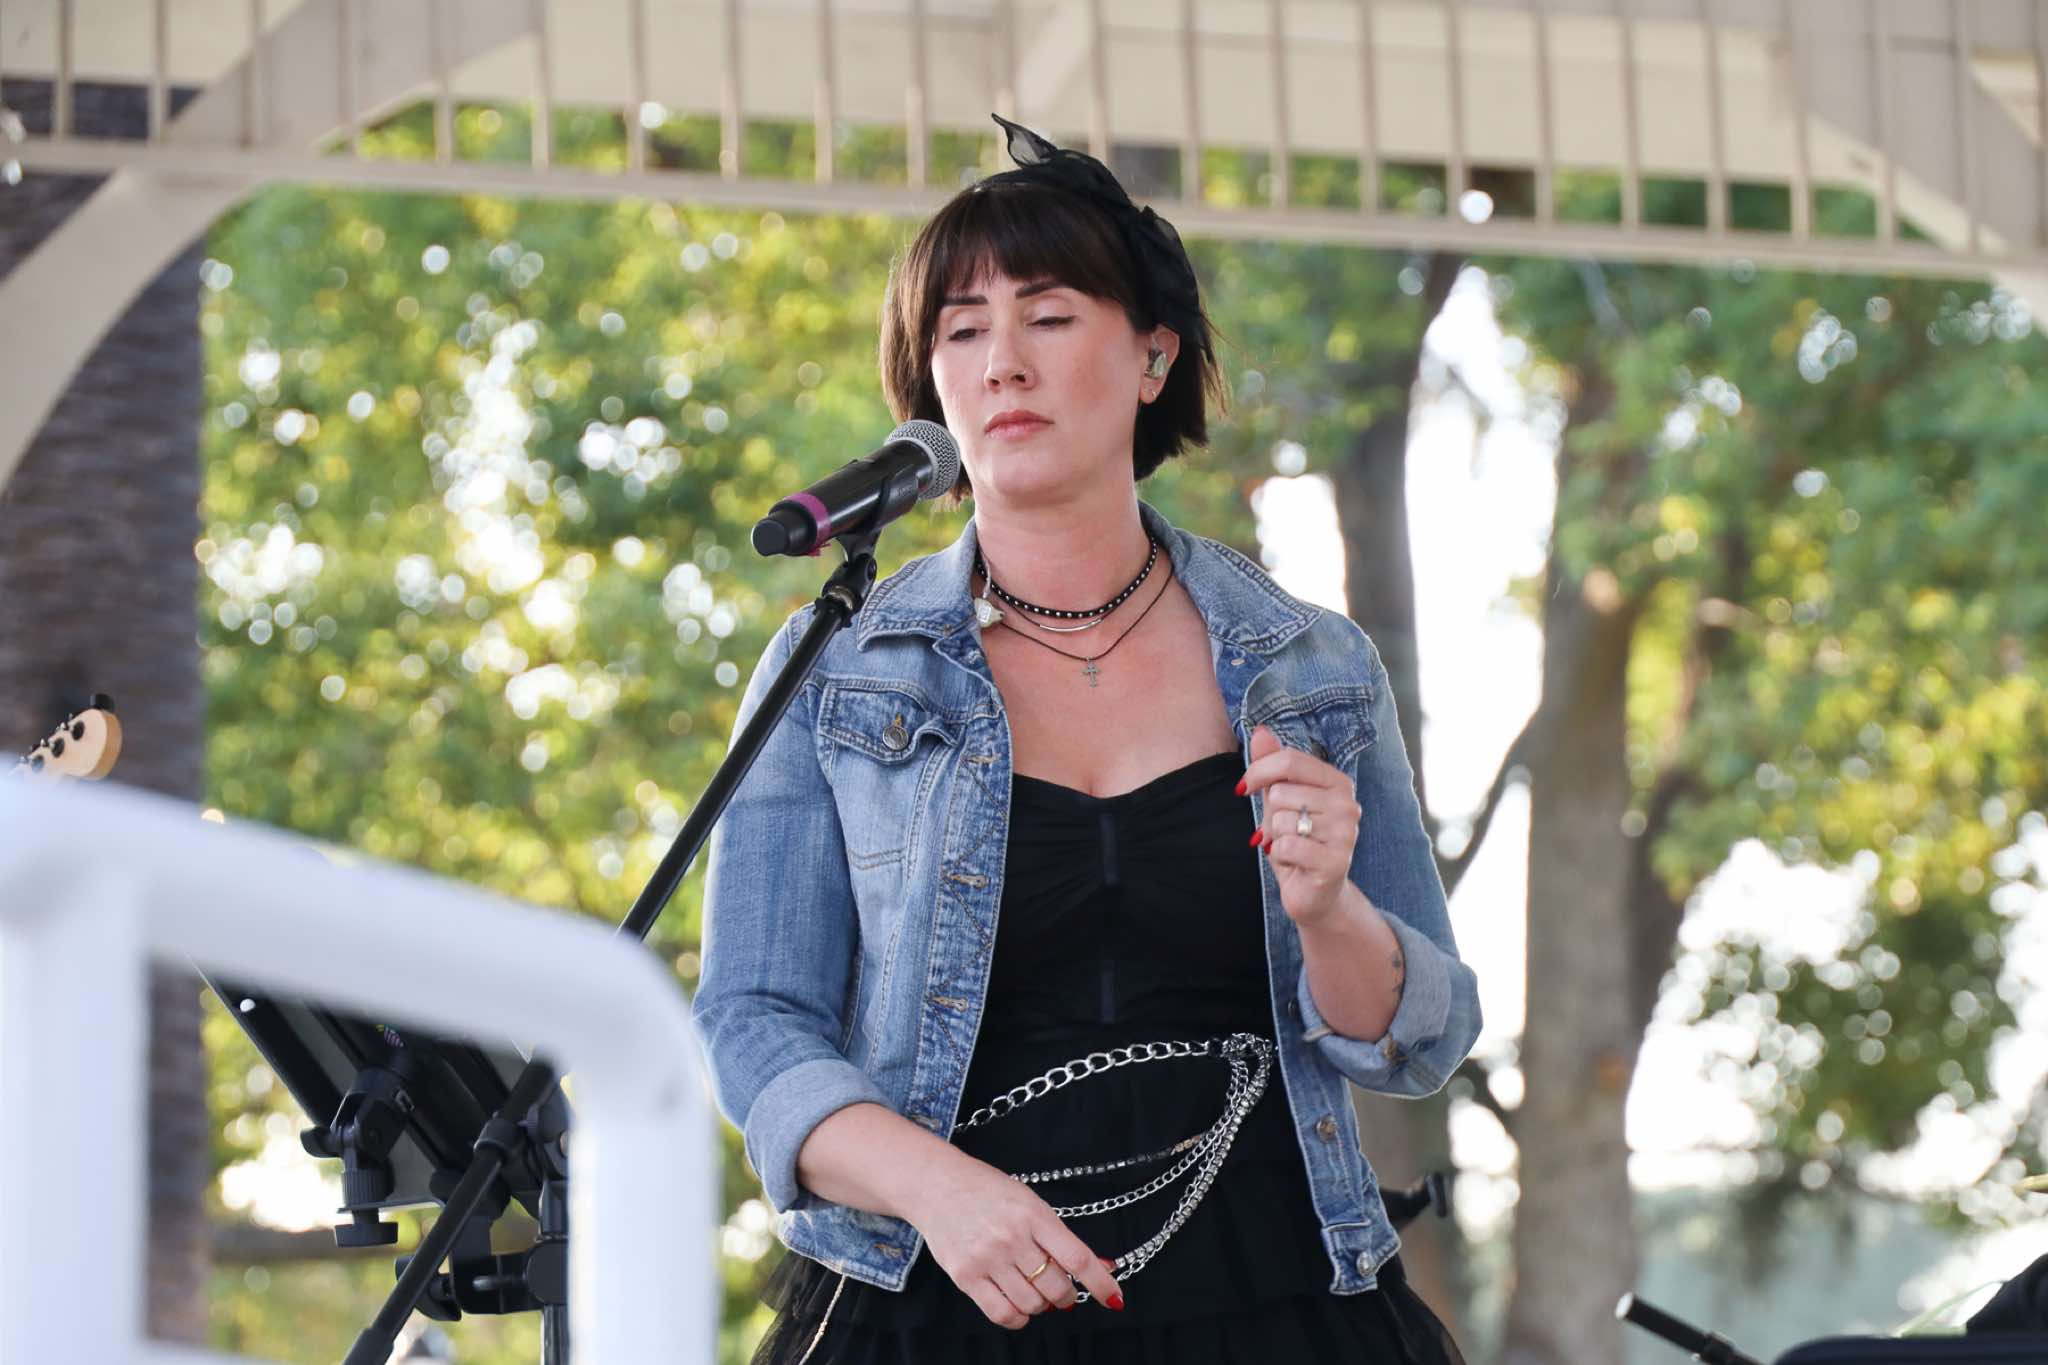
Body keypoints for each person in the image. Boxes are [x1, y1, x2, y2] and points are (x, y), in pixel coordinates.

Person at [693, 114, 1483, 1365]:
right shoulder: (836, 668)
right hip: (937, 1301)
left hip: (1275, 1295)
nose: (1002, 363)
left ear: (1152, 356)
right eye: (961, 331)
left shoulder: (1310, 667)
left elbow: (1415, 1040)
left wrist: (1330, 910)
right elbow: (751, 1018)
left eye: (1048, 317)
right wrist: (934, 1189)